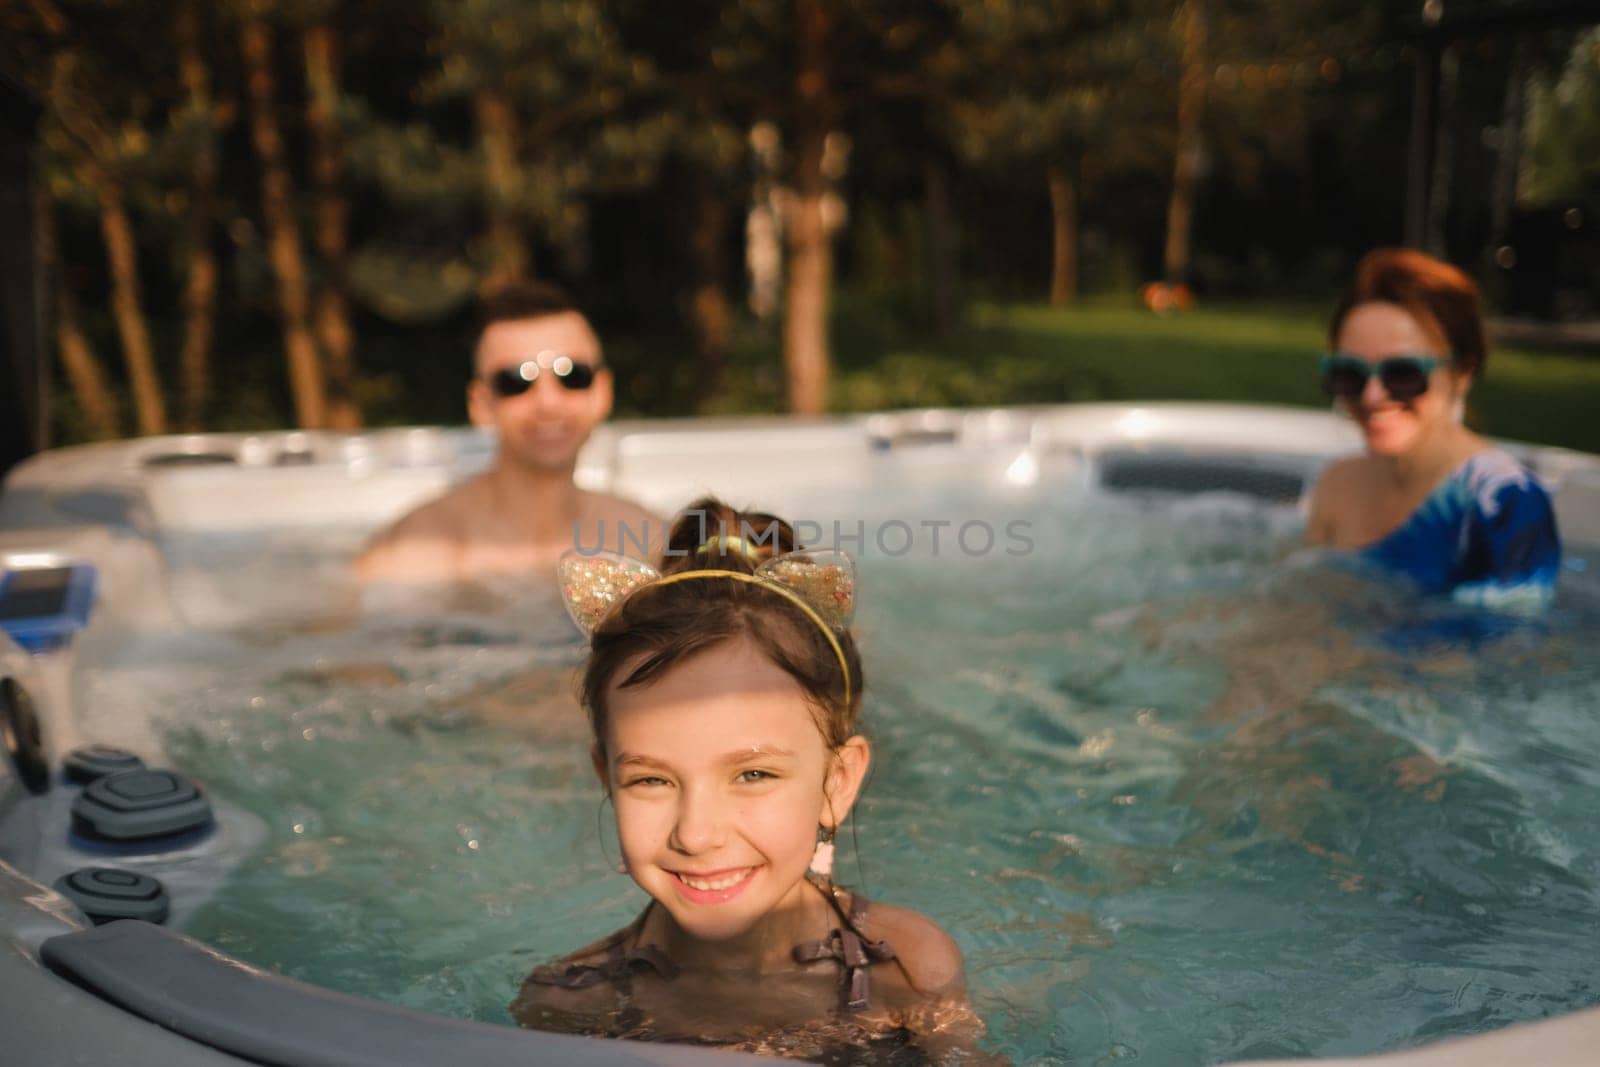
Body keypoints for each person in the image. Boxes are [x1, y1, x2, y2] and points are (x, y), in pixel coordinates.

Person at [512, 499, 989, 1060]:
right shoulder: (570, 1006)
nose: (696, 834)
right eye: (652, 782)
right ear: (607, 779)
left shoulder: (907, 970)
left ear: (837, 782)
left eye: (753, 773)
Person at [353, 282, 658, 584]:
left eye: (573, 376)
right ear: (481, 404)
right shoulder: (412, 555)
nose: (548, 403)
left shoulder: (649, 540)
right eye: (515, 381)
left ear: (602, 392)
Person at [1305, 248, 1561, 606]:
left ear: (1463, 373)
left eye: (1404, 374)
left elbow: (1512, 650)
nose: (1372, 396)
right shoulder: (1336, 483)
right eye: (1349, 373)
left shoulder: (1505, 503)